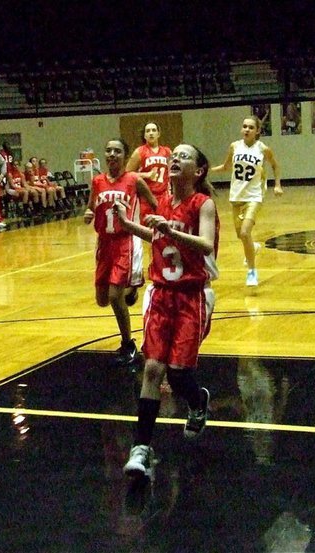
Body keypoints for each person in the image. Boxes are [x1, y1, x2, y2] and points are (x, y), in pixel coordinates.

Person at [113, 143, 219, 477]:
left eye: (185, 156)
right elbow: (161, 239)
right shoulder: (163, 204)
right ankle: (140, 448)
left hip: (191, 295)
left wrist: (170, 228)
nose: (176, 159)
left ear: (198, 171)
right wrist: (130, 227)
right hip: (161, 294)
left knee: (178, 373)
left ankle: (197, 400)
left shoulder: (203, 205)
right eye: (175, 156)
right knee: (153, 370)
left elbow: (204, 244)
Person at [83, 138, 156, 368]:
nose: (112, 154)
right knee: (103, 300)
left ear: (125, 156)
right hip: (104, 245)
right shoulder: (97, 181)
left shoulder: (133, 180)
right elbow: (91, 205)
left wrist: (157, 221)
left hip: (126, 242)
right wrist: (88, 213)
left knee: (115, 297)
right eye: (109, 150)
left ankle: (128, 343)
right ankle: (132, 288)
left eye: (117, 151)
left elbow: (154, 203)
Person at [211, 114, 282, 286]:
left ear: (257, 131)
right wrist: (207, 170)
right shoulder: (234, 146)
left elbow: (275, 165)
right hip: (236, 196)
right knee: (241, 235)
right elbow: (226, 167)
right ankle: (253, 247)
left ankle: (252, 272)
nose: (247, 130)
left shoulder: (263, 149)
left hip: (254, 196)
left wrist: (277, 184)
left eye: (251, 127)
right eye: (244, 126)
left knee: (244, 232)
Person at [125, 121, 172, 220]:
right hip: (146, 197)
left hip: (164, 196)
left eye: (154, 130)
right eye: (148, 131)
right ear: (144, 135)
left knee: (164, 227)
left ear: (158, 134)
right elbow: (127, 174)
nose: (151, 133)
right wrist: (146, 175)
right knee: (147, 228)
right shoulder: (139, 152)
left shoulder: (167, 151)